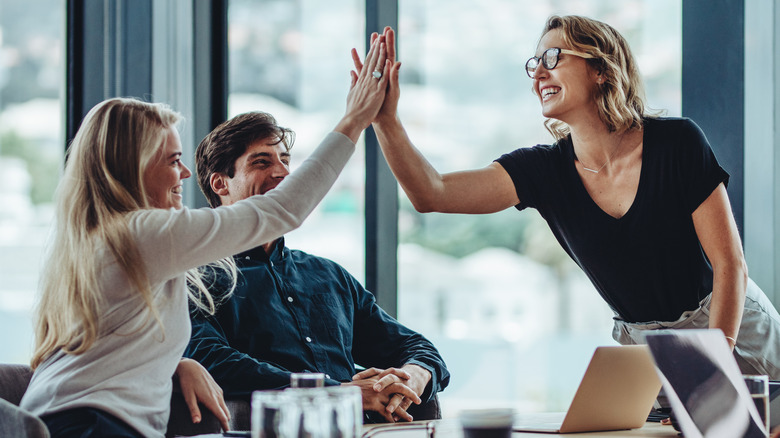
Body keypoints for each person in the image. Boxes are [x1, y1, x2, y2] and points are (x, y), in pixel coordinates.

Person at [354, 18, 780, 380]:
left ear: (601, 70)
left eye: (554, 58)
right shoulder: (542, 172)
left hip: (732, 325)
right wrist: (386, 121)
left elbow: (730, 264)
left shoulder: (677, 142)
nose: (539, 73)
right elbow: (432, 193)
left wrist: (715, 358)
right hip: (646, 348)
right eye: (534, 64)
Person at [19, 35, 391, 438]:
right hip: (90, 426)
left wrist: (178, 363)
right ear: (133, 166)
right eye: (173, 160)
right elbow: (282, 210)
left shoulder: (99, 238)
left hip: (63, 419)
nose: (184, 174)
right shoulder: (140, 233)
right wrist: (353, 121)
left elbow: (108, 344)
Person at [185, 110, 450, 424]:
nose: (283, 172)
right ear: (220, 183)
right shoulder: (196, 278)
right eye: (262, 161)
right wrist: (336, 392)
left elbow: (414, 345)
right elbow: (210, 359)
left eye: (285, 159)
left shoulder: (328, 275)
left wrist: (413, 376)